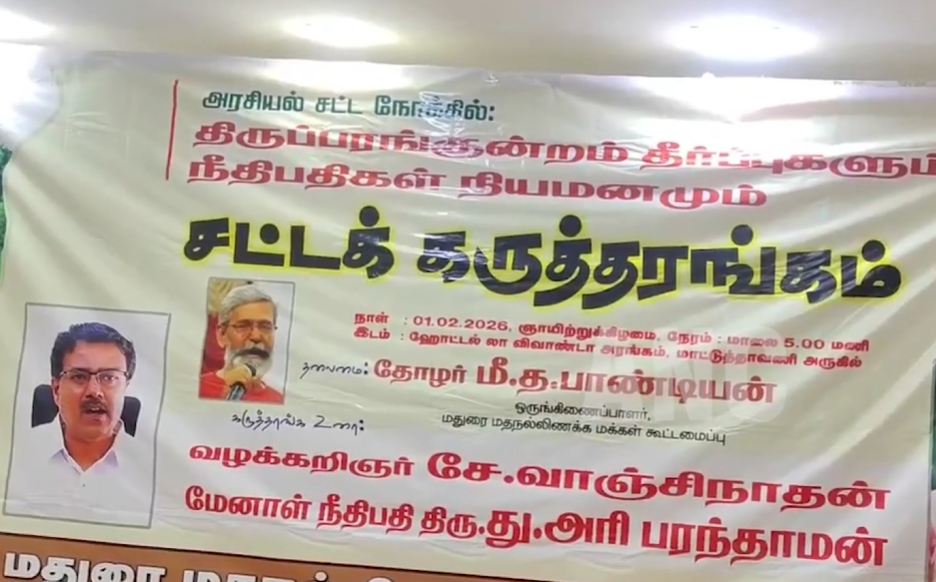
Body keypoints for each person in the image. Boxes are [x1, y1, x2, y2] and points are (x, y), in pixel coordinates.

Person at [4, 322, 154, 526]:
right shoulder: (13, 453)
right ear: (56, 390)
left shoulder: (149, 466)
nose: (94, 391)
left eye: (109, 377)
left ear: (125, 388)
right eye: (79, 377)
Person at [199, 284, 284, 403]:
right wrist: (226, 392)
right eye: (243, 326)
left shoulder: (278, 401)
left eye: (265, 327)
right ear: (222, 335)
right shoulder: (196, 388)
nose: (255, 336)